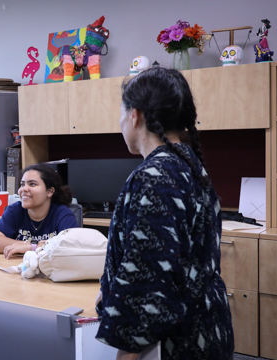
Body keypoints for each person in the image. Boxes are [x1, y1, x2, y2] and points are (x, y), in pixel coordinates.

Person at [95, 67, 234, 360]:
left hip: (174, 344)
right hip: (206, 329)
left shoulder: (156, 176)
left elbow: (148, 279)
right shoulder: (188, 166)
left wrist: (127, 354)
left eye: (122, 114)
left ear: (135, 115)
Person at [0, 164, 77, 259]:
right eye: (22, 184)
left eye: (32, 184)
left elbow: (71, 247)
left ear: (50, 191)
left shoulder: (62, 214)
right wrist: (34, 245)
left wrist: (32, 247)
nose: (24, 189)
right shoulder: (15, 210)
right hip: (19, 268)